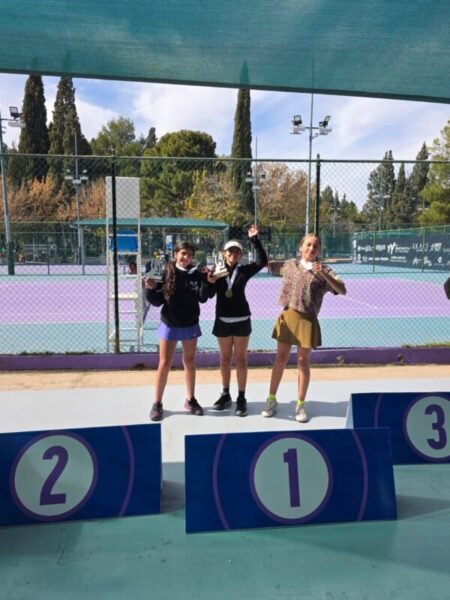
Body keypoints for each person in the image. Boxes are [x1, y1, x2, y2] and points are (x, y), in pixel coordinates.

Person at [261, 233, 346, 423]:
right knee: (280, 359)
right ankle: (271, 399)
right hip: (288, 316)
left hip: (308, 320)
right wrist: (255, 240)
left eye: (315, 246)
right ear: (301, 247)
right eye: (308, 245)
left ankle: (300, 405)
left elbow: (342, 289)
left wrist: (324, 274)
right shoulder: (289, 265)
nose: (311, 248)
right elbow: (265, 263)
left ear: (319, 250)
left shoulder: (324, 271)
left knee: (303, 362)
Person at [144, 241, 210, 421]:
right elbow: (157, 301)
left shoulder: (196, 273)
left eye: (189, 254)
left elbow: (203, 298)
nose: (186, 257)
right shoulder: (164, 272)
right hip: (170, 324)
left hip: (190, 324)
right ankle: (157, 403)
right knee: (164, 363)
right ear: (175, 255)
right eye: (183, 253)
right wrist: (149, 289)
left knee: (190, 362)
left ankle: (190, 400)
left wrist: (206, 281)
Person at [207, 225, 268, 416]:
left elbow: (263, 261)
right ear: (223, 254)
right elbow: (207, 294)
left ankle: (241, 397)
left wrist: (254, 240)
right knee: (225, 359)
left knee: (241, 359)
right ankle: (226, 394)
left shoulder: (244, 271)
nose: (233, 254)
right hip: (222, 320)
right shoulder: (217, 271)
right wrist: (209, 281)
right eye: (230, 251)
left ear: (241, 255)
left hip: (242, 319)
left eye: (237, 252)